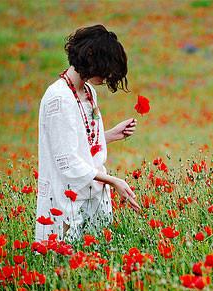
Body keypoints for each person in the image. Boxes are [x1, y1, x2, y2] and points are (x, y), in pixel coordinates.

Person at [35, 24, 140, 243]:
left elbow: (82, 140)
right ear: (90, 58)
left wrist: (109, 135)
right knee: (65, 263)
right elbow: (68, 162)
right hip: (67, 201)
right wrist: (113, 181)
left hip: (92, 194)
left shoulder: (88, 91)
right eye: (105, 67)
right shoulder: (59, 98)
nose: (107, 75)